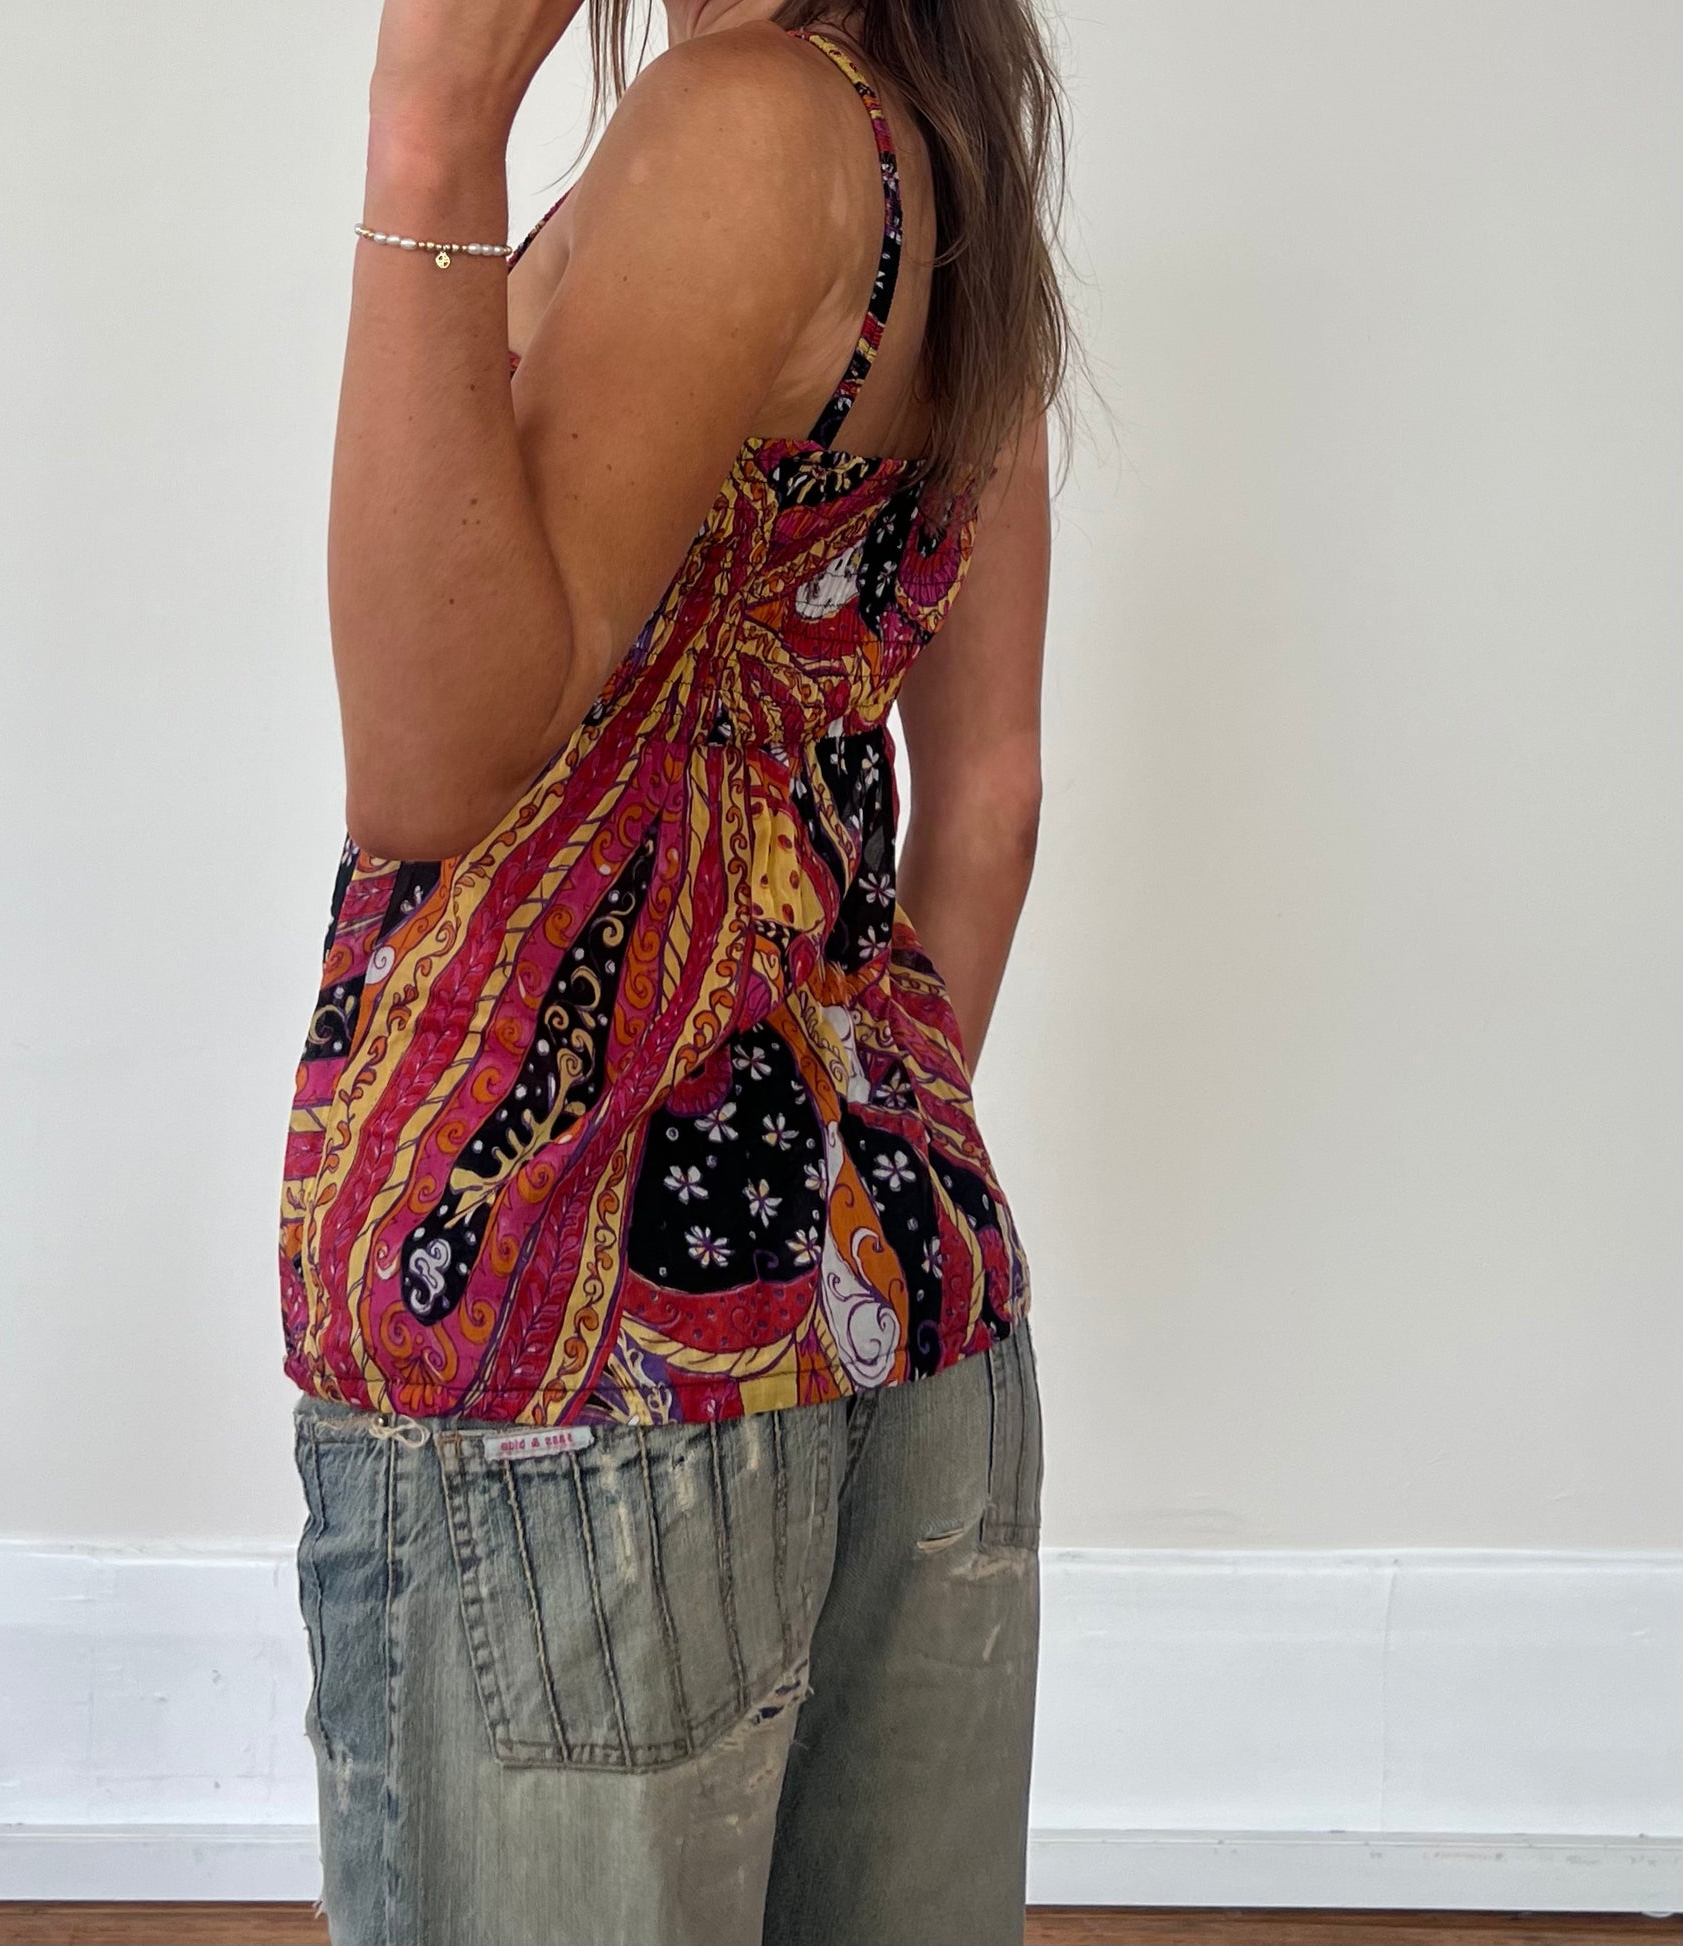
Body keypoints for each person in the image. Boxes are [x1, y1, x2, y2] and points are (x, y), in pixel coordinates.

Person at [280, 1, 1076, 1939]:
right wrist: (812, 1217)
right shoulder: (940, 159)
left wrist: (431, 121)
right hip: (908, 1321)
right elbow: (988, 801)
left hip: (561, 1336)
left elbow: (431, 768)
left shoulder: (730, 128)